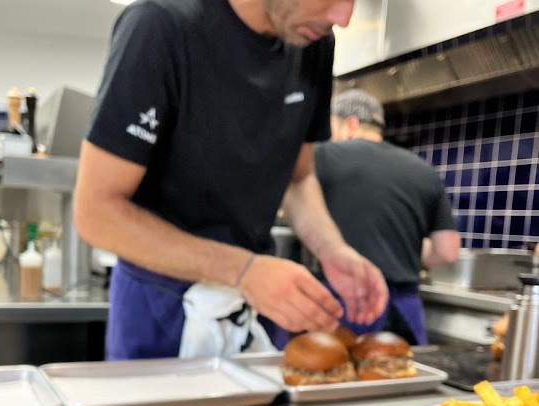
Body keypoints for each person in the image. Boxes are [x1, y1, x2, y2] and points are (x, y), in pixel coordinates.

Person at [74, 0, 388, 360]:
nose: (344, 19)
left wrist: (334, 251)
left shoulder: (313, 42)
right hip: (160, 307)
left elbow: (298, 179)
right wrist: (243, 271)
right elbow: (96, 212)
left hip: (256, 299)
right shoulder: (160, 25)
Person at [314, 89, 460, 345]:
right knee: (402, 377)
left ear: (350, 124)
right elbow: (447, 251)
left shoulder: (324, 156)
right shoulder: (423, 170)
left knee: (334, 377)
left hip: (344, 304)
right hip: (404, 309)